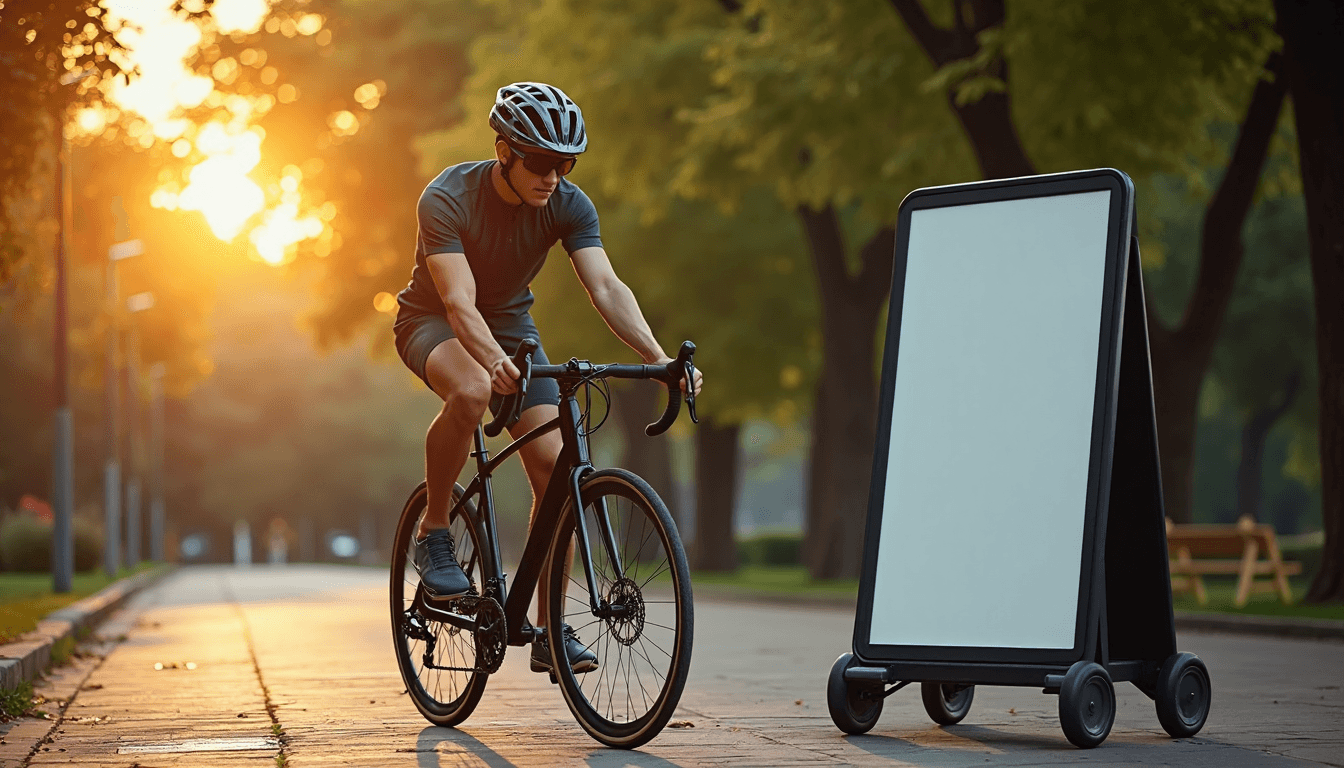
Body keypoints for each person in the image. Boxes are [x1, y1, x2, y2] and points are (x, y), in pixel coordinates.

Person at [392, 82, 703, 675]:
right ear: (504, 151)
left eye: (565, 164)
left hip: (513, 328)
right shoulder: (447, 197)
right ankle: (435, 530)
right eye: (539, 162)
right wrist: (490, 360)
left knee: (556, 469)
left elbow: (606, 286)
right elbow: (458, 302)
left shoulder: (569, 204)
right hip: (433, 321)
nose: (552, 177)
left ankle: (549, 630)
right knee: (472, 389)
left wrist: (662, 361)